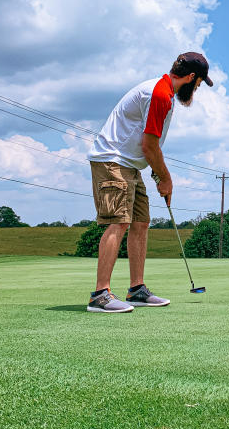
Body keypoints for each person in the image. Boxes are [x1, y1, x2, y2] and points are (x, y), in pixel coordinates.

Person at [85, 52, 213, 312]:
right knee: (118, 222)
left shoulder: (164, 93)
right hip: (112, 160)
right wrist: (165, 179)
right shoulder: (159, 95)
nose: (197, 88)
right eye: (199, 83)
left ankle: (137, 290)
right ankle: (100, 294)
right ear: (190, 77)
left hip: (131, 165)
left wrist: (156, 174)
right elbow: (149, 145)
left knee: (140, 222)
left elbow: (148, 148)